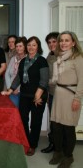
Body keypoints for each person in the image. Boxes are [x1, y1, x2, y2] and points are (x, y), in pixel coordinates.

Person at [1, 36, 49, 156]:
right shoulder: (23, 61)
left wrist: (37, 96)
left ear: (38, 47)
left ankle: (33, 145)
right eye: (29, 45)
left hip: (38, 96)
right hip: (25, 95)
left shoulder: (41, 60)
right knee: (23, 120)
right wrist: (10, 89)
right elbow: (18, 78)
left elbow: (44, 80)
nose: (31, 47)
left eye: (34, 45)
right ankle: (25, 141)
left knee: (35, 122)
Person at [49, 31, 83, 168]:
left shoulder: (78, 58)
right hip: (58, 95)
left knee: (68, 129)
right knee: (56, 127)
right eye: (61, 40)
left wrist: (77, 99)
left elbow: (82, 80)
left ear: (73, 42)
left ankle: (68, 156)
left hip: (71, 96)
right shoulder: (59, 58)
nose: (63, 43)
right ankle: (58, 152)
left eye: (67, 40)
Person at [41, 32, 59, 153]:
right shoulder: (49, 56)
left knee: (61, 122)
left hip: (63, 94)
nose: (51, 44)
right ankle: (53, 144)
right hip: (51, 94)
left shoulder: (63, 56)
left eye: (54, 41)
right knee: (53, 121)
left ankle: (61, 148)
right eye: (49, 42)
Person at [5, 37, 27, 107]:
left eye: (20, 46)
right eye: (17, 46)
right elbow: (7, 74)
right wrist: (9, 88)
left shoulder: (28, 59)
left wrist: (17, 89)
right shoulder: (13, 59)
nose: (18, 48)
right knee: (13, 112)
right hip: (12, 91)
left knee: (22, 114)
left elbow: (24, 76)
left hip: (23, 91)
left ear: (25, 47)